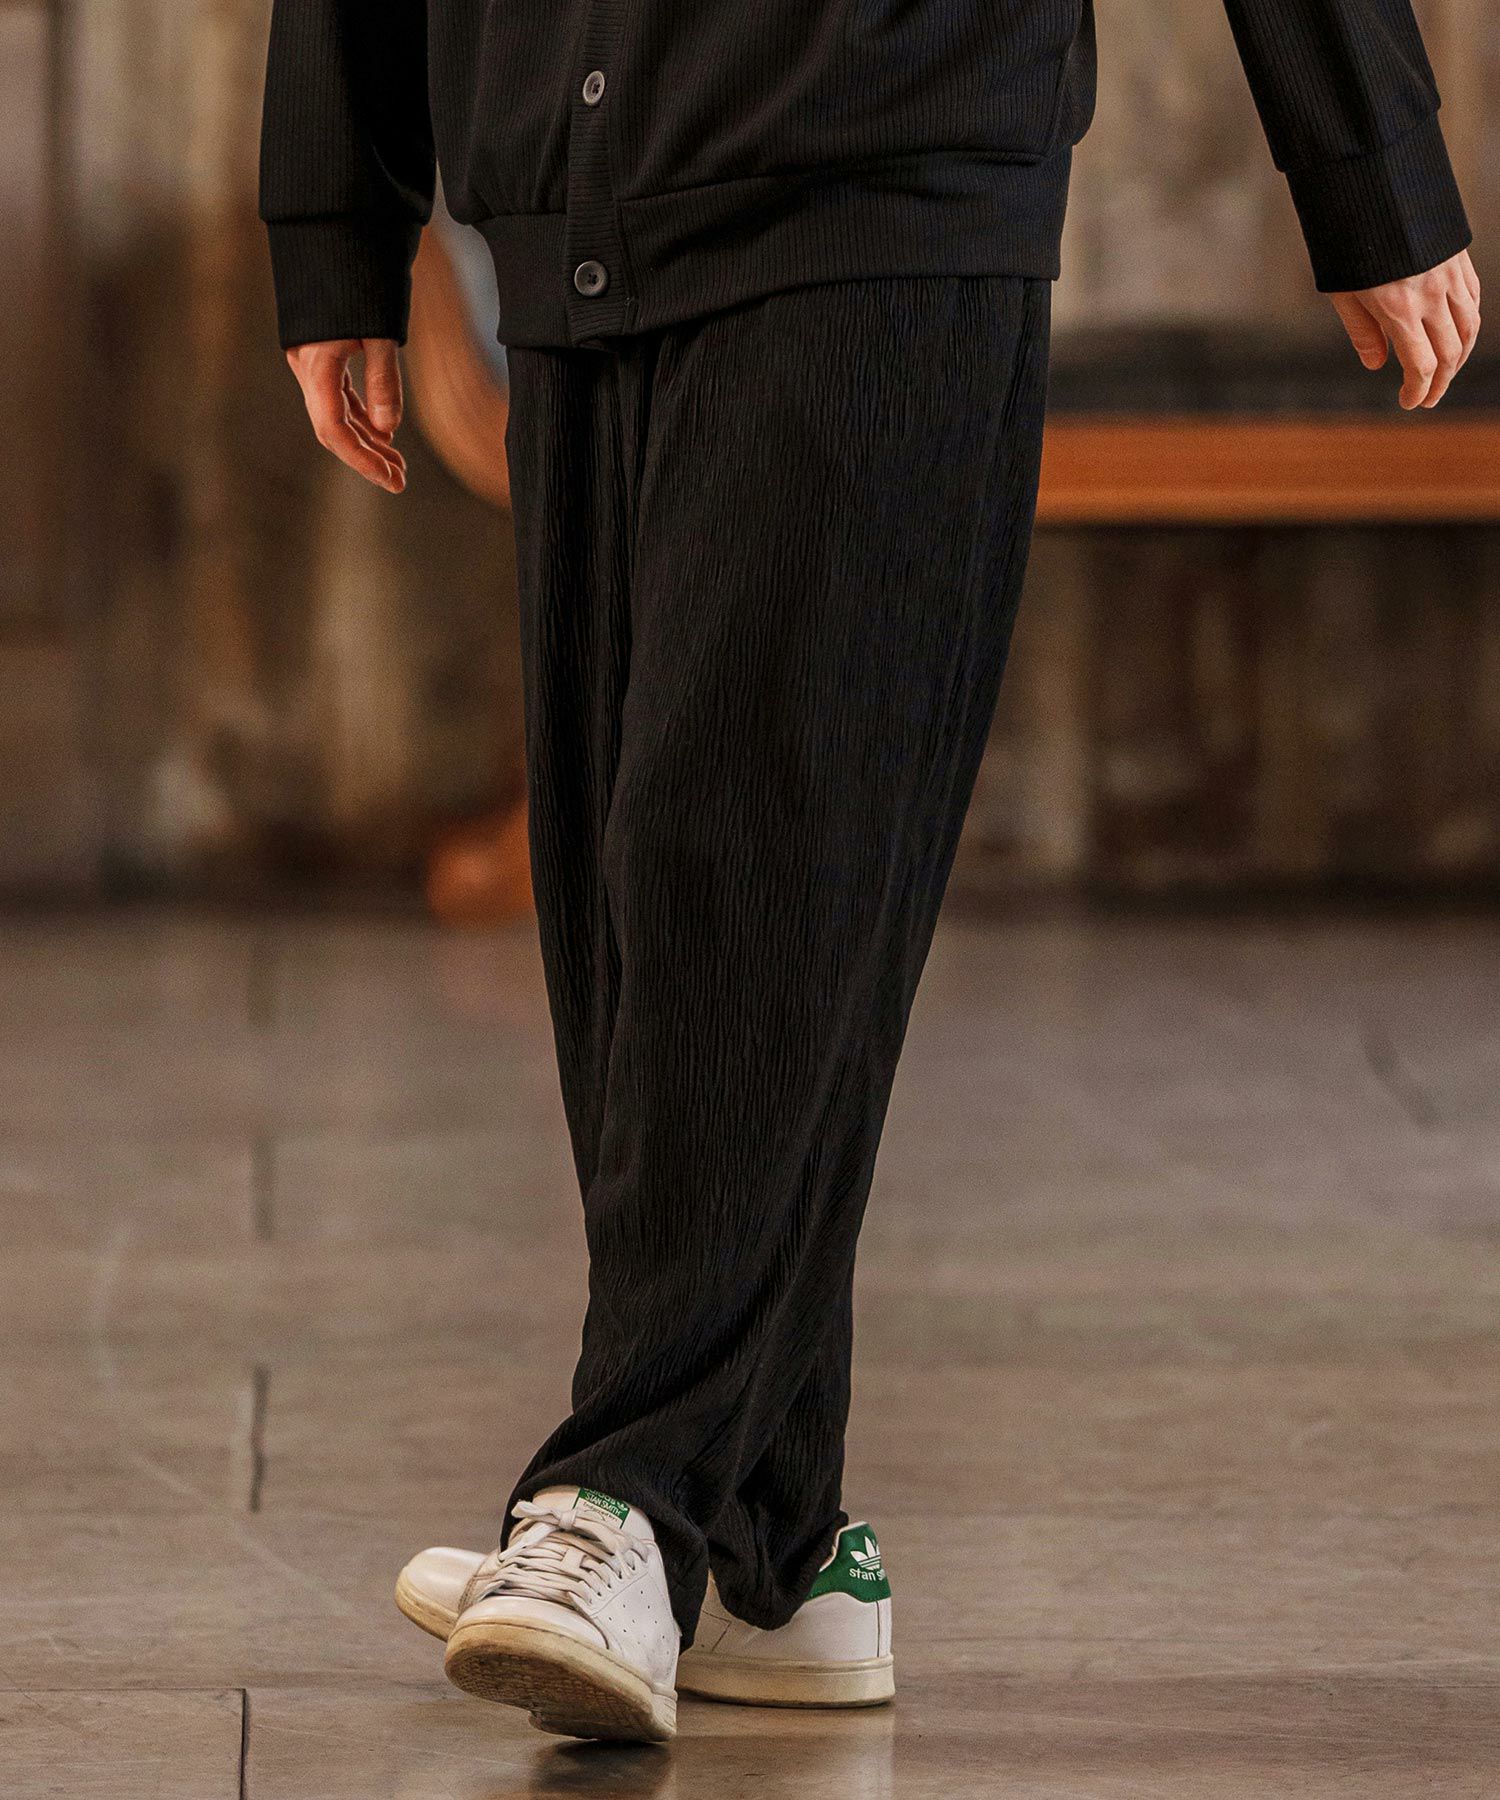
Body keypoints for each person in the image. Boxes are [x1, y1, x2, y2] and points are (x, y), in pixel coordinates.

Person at [259, 0, 1480, 1746]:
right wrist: (336, 215)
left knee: (739, 856)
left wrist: (1370, 166)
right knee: (625, 896)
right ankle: (773, 1555)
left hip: (882, 148)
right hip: (571, 175)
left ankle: (623, 1499)